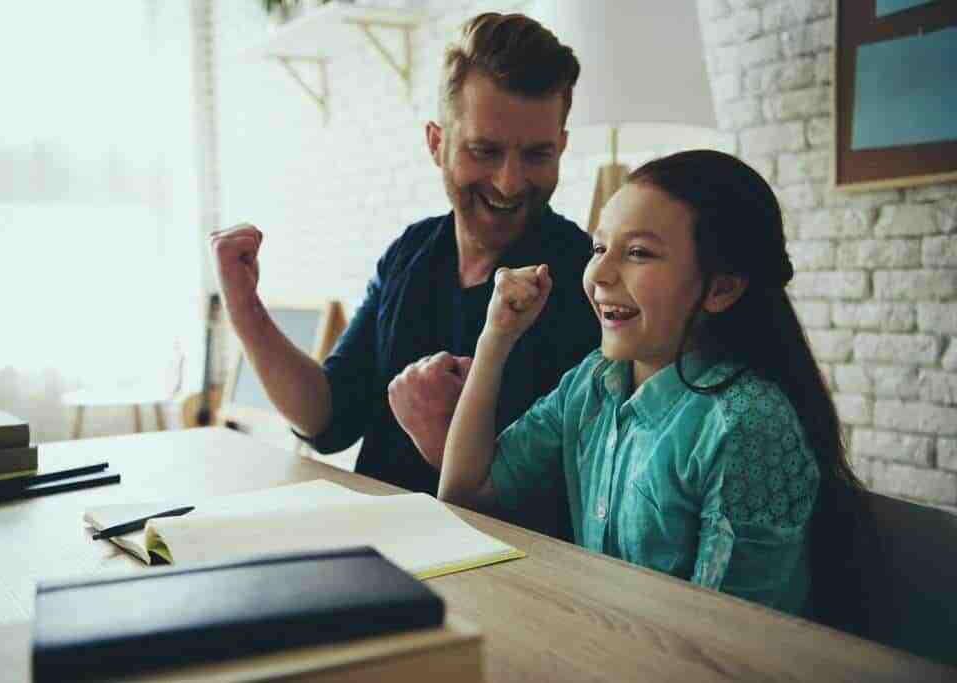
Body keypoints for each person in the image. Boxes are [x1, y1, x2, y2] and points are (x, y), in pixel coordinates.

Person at [209, 13, 599, 537]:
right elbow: (327, 418)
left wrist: (444, 442)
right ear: (437, 143)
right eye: (484, 151)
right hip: (379, 549)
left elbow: (581, 514)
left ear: (562, 147)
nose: (510, 182)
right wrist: (243, 305)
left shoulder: (586, 282)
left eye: (537, 155)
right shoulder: (411, 252)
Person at [436, 149, 869, 621]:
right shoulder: (593, 382)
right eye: (600, 248)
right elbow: (464, 493)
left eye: (638, 253)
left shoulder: (746, 423)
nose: (599, 274)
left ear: (721, 288)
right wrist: (496, 337)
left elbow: (729, 643)